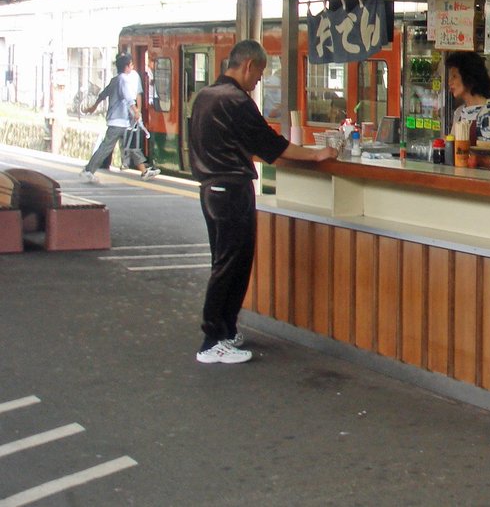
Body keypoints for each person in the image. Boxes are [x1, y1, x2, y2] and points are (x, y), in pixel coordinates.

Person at [190, 40, 339, 365]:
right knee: (231, 264)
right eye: (258, 75)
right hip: (230, 190)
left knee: (226, 261)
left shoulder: (204, 96)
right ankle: (212, 339)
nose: (258, 81)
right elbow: (271, 144)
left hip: (210, 189)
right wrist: (316, 154)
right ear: (248, 66)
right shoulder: (235, 100)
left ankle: (225, 331)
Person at [81, 53, 159, 182]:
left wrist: (94, 106)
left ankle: (144, 172)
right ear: (127, 67)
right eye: (131, 65)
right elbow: (129, 98)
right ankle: (88, 170)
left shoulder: (115, 79)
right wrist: (136, 111)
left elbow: (103, 94)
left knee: (131, 145)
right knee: (107, 147)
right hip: (118, 121)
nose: (133, 67)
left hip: (121, 121)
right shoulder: (124, 79)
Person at [445, 50, 490, 144]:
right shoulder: (459, 112)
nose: (450, 82)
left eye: (454, 76)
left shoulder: (488, 113)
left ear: (469, 77)